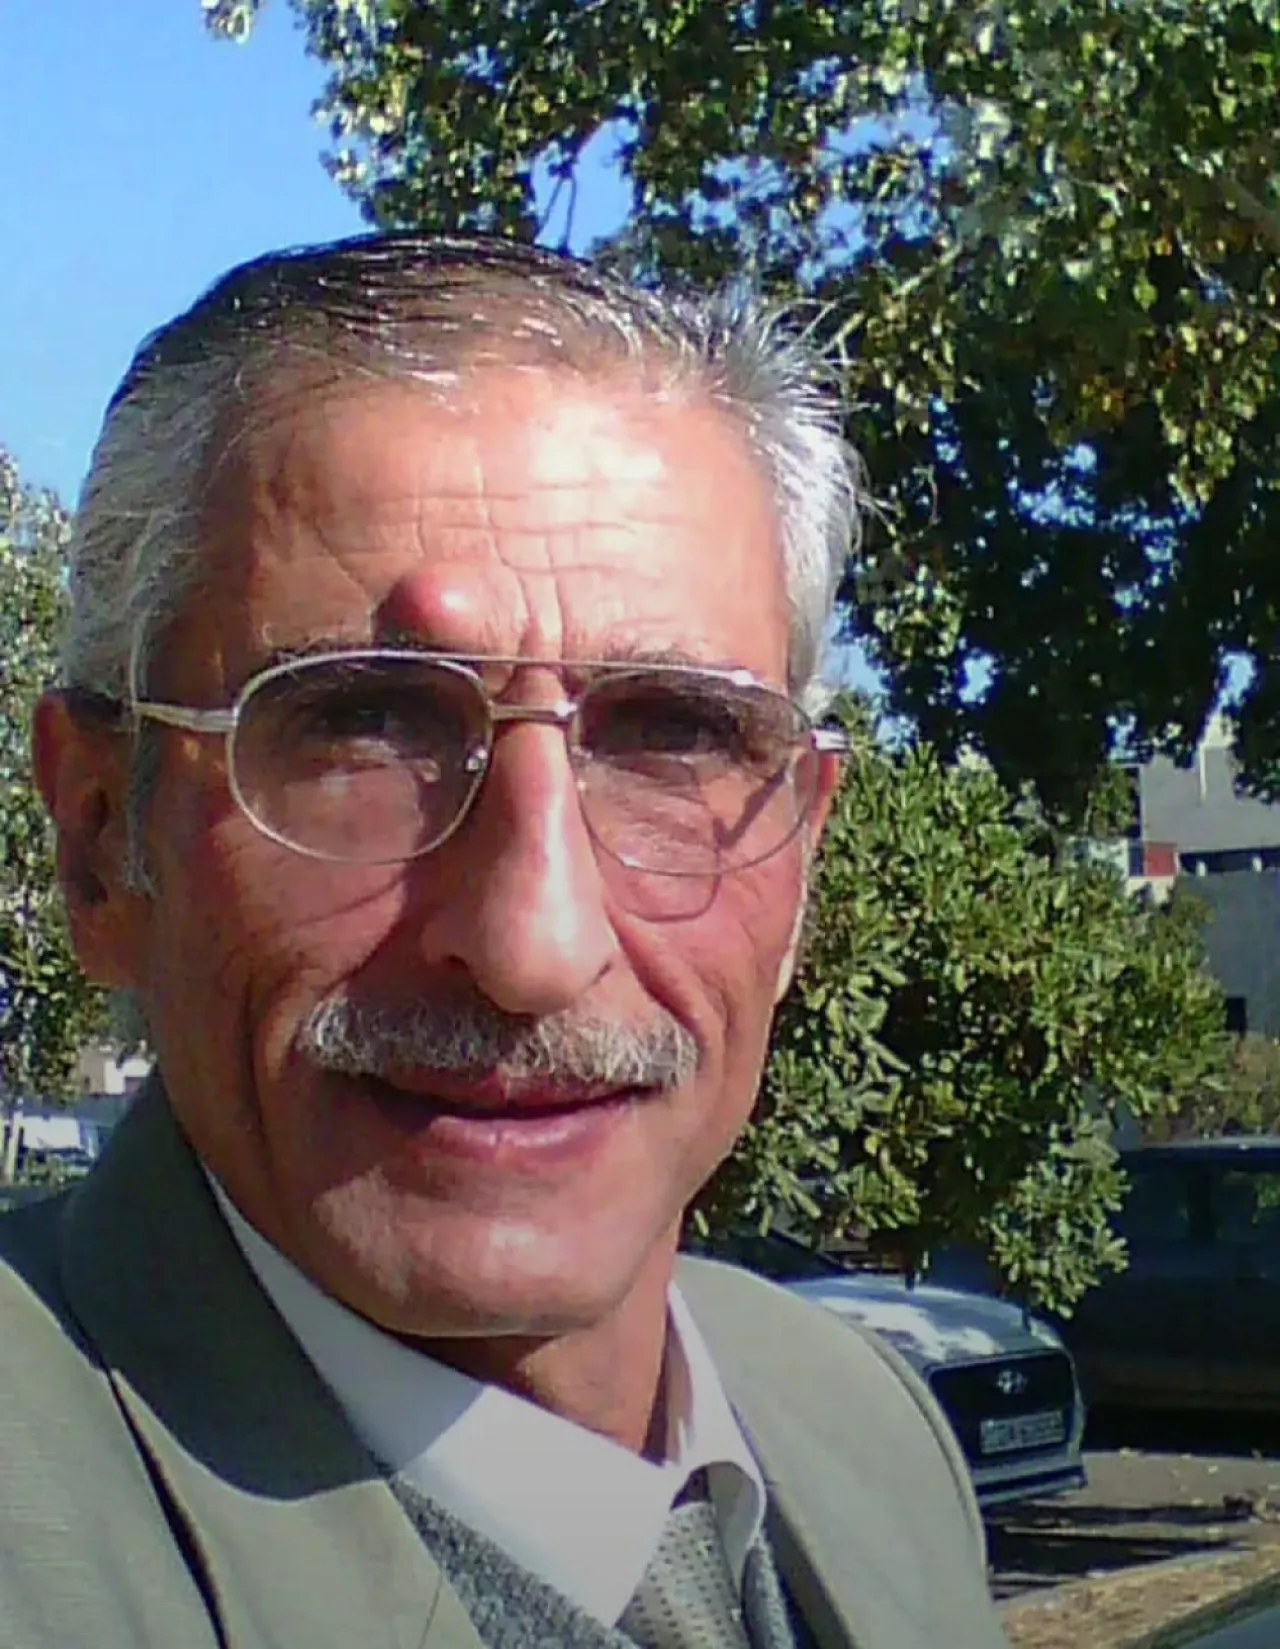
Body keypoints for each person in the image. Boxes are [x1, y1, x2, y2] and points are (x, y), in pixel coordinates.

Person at [0, 234, 1008, 1649]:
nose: (534, 943)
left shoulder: (864, 1426)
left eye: (673, 737)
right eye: (365, 726)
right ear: (104, 841)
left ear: (800, 853)